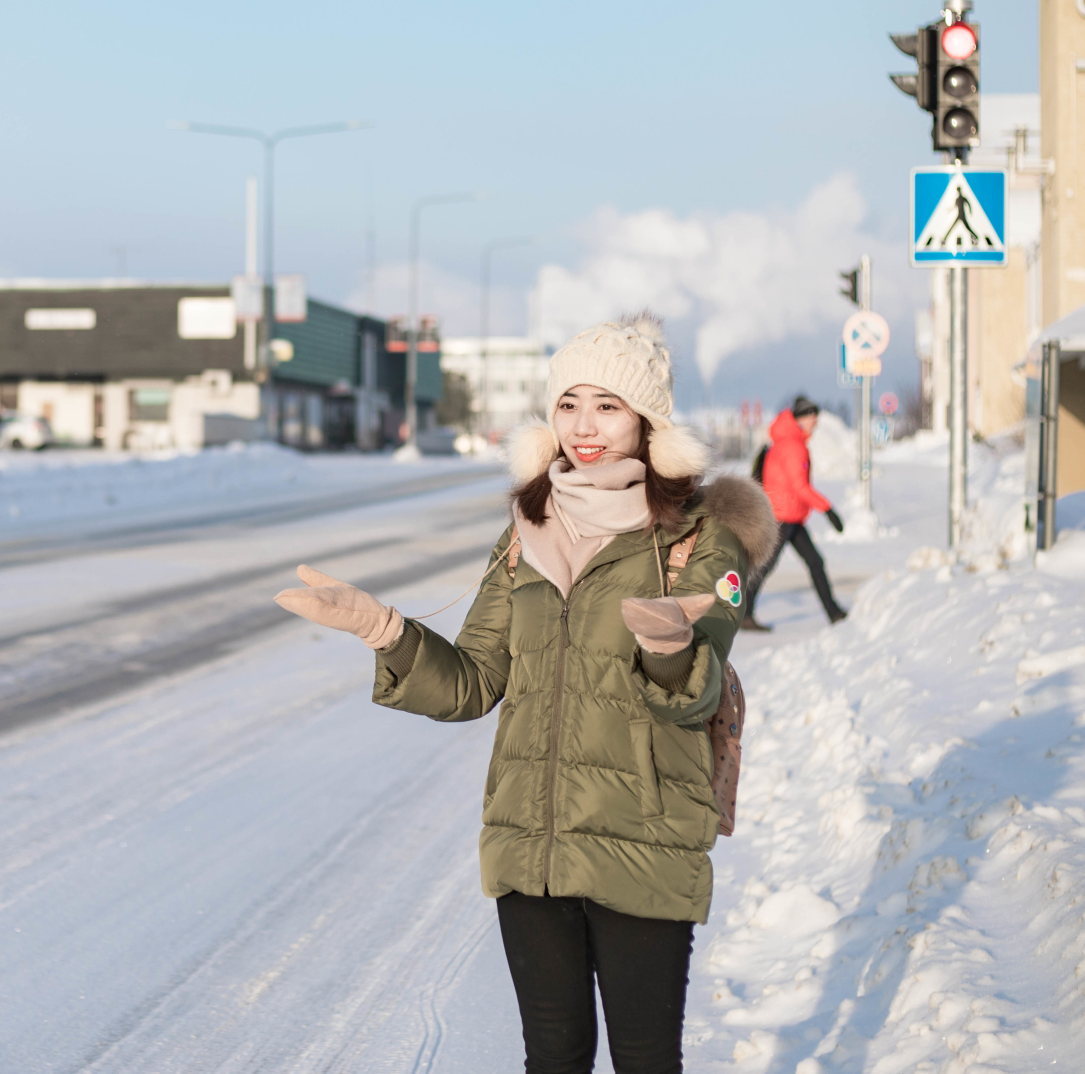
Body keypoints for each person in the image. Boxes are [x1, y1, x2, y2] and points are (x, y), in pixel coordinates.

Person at [275, 314, 776, 1074]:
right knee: (552, 1057)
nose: (584, 425)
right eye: (568, 402)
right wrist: (383, 630)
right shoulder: (527, 531)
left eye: (607, 405)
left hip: (642, 838)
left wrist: (671, 648)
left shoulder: (700, 541)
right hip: (530, 847)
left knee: (646, 1061)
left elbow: (694, 699)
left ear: (646, 420)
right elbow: (475, 681)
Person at [742, 394, 846, 625]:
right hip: (782, 516)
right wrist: (828, 509)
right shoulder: (793, 446)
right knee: (765, 566)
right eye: (814, 418)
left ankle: (834, 612)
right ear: (805, 417)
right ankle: (743, 614)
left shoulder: (787, 440)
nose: (816, 424)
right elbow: (800, 487)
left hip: (791, 515)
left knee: (814, 562)